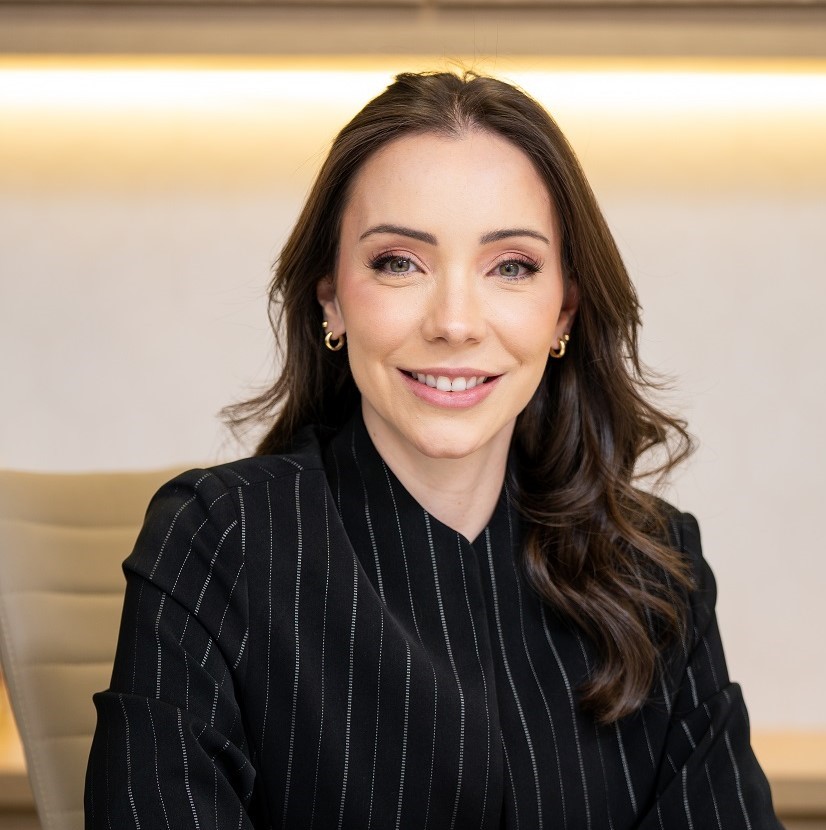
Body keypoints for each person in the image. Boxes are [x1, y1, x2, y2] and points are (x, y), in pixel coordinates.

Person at [85, 70, 782, 828]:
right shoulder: (222, 538)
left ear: (564, 311)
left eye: (510, 267)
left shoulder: (654, 567)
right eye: (399, 262)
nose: (455, 322)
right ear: (331, 298)